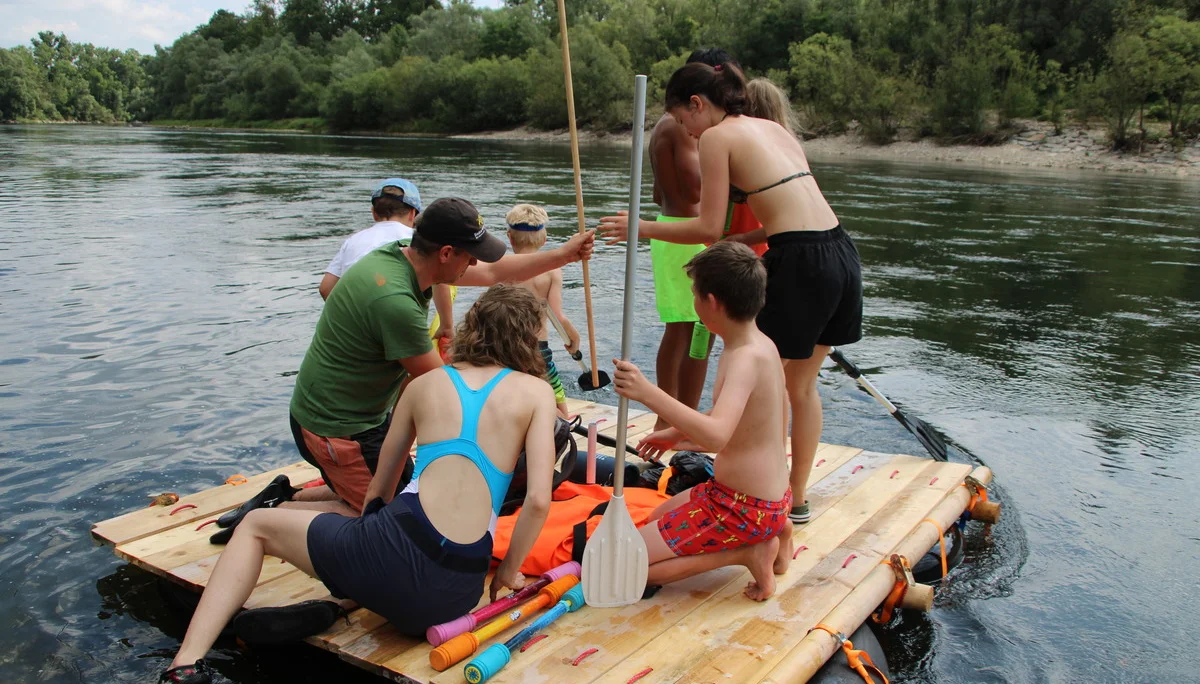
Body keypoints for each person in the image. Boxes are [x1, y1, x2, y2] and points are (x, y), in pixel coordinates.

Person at [158, 286, 558, 684]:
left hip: (385, 555)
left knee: (256, 525)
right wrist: (507, 571)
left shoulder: (424, 385)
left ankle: (186, 665)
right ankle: (351, 598)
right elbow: (538, 500)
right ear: (526, 340)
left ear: (474, 327)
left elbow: (379, 490)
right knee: (395, 564)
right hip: (455, 595)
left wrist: (363, 544)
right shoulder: (537, 394)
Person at [211, 198, 594, 544]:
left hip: (354, 416)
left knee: (394, 488)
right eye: (471, 255)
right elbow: (445, 387)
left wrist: (565, 254)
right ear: (446, 253)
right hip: (338, 429)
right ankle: (266, 518)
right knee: (388, 521)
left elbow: (498, 273)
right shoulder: (395, 302)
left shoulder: (402, 256)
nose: (476, 264)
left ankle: (284, 494)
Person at [599, 62, 863, 527]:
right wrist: (744, 243)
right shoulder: (771, 129)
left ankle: (761, 497)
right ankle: (795, 498)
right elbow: (791, 208)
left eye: (682, 120)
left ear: (697, 104)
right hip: (839, 251)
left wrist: (638, 227)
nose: (686, 130)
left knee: (763, 378)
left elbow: (706, 225)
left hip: (800, 261)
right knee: (800, 385)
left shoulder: (717, 137)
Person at [612, 242, 792, 601]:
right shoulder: (760, 344)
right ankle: (778, 530)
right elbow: (738, 416)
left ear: (711, 302)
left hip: (741, 507)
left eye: (695, 295)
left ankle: (748, 551)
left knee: (624, 564)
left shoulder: (743, 358)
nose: (694, 303)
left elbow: (716, 437)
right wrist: (673, 434)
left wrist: (647, 392)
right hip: (761, 498)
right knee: (653, 518)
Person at [647, 48, 739, 429]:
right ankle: (671, 417)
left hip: (673, 229)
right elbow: (693, 186)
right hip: (684, 234)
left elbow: (658, 193)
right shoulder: (680, 125)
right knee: (688, 329)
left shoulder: (666, 124)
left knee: (691, 330)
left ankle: (678, 415)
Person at [318, 178, 456, 342]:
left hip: (354, 330)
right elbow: (438, 281)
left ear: (374, 213)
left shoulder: (354, 240)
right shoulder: (417, 240)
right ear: (413, 214)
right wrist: (446, 325)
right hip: (397, 325)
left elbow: (325, 288)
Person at [506, 203, 580, 419]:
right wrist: (573, 337)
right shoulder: (551, 271)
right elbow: (558, 315)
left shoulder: (502, 265)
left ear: (510, 237)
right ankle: (560, 427)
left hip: (505, 345)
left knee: (512, 393)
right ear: (544, 240)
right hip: (537, 347)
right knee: (555, 398)